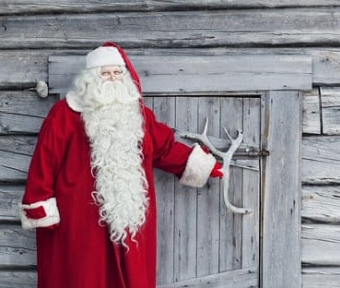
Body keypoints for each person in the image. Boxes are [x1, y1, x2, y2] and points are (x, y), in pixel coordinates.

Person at [19, 42, 223, 288]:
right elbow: (44, 162)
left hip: (128, 224)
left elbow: (164, 148)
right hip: (79, 225)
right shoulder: (64, 115)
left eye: (117, 73)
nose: (112, 79)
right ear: (91, 79)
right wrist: (39, 205)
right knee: (82, 278)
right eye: (105, 73)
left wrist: (203, 166)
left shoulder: (139, 117)